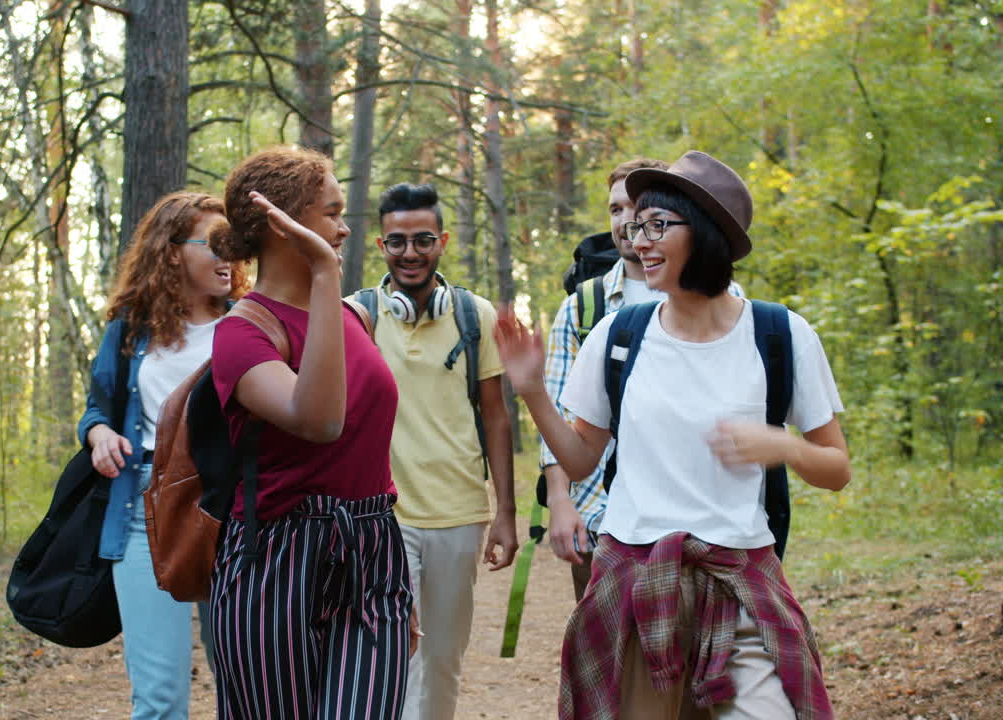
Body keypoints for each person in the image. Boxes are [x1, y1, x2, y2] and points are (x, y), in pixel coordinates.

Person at [497, 151, 848, 718]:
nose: (638, 241)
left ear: (706, 233)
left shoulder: (781, 333)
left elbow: (837, 469)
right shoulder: (618, 334)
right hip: (636, 580)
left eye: (658, 224)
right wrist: (533, 390)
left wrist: (784, 446)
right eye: (637, 226)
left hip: (740, 583)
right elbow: (583, 459)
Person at [206, 147, 417, 719]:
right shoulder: (241, 333)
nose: (345, 228)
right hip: (277, 558)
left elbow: (367, 448)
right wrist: (325, 271)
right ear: (283, 224)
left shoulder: (356, 319)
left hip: (373, 547)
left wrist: (392, 577)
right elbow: (320, 421)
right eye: (331, 213)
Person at [540, 158, 744, 604]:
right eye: (615, 210)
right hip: (601, 517)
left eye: (640, 210)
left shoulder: (732, 304)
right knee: (614, 660)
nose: (627, 221)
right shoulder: (585, 307)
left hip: (705, 523)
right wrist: (560, 501)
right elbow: (558, 409)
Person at [354, 182, 518, 720]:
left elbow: (496, 414)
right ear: (381, 245)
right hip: (384, 516)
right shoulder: (358, 316)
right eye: (397, 241)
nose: (410, 253)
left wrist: (506, 514)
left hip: (459, 513)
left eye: (422, 239)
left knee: (444, 658)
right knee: (396, 657)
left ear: (442, 241)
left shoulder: (476, 316)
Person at [77, 192, 241, 719]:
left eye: (234, 245)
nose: (229, 257)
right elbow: (96, 408)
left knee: (247, 688)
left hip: (233, 513)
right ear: (172, 253)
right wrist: (98, 434)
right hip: (143, 510)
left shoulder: (249, 326)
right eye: (215, 243)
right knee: (159, 698)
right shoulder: (130, 330)